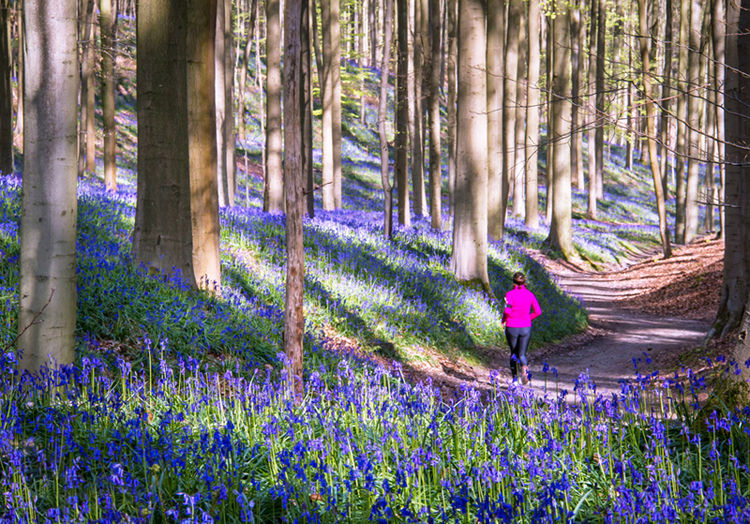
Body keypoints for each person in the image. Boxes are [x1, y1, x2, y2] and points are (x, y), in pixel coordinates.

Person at [502, 272, 542, 384]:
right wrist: (528, 318)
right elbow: (538, 311)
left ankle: (515, 379)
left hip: (512, 327)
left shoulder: (509, 294)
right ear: (525, 282)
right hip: (526, 327)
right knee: (522, 354)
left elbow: (507, 311)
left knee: (514, 353)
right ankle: (525, 370)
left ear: (513, 282)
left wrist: (503, 320)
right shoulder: (530, 295)